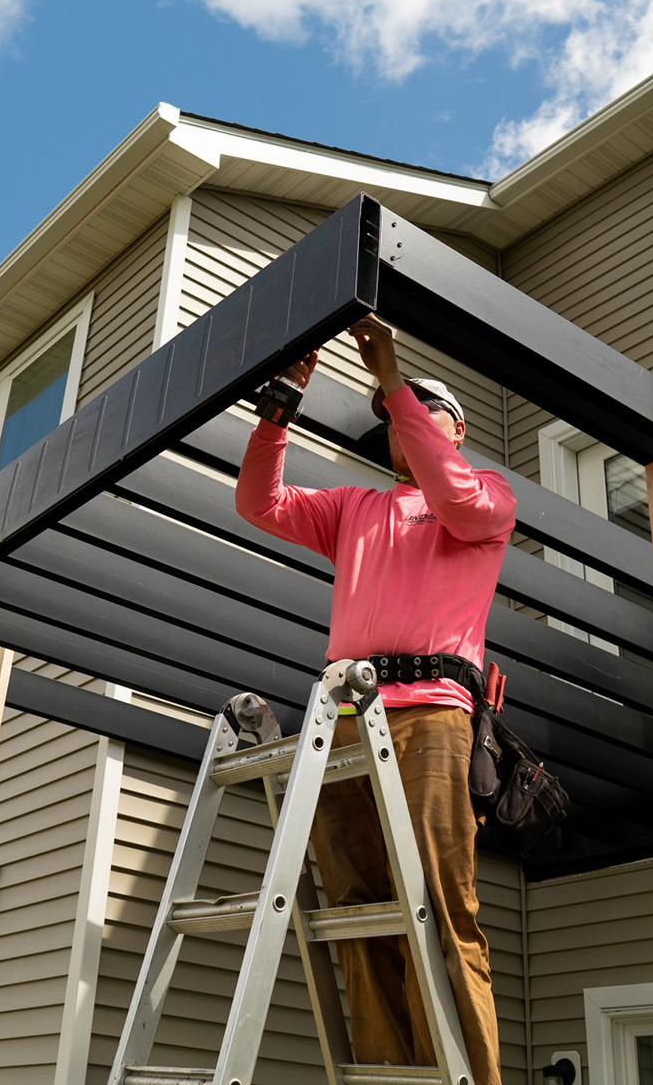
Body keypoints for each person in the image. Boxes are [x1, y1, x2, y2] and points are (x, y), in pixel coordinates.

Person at [235, 314, 512, 1085]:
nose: (401, 421)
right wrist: (282, 403)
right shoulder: (356, 507)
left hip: (432, 716)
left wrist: (393, 379)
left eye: (422, 411)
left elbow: (453, 499)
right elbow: (261, 504)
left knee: (441, 906)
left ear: (453, 427)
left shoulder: (485, 497)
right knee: (359, 911)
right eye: (393, 416)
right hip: (349, 720)